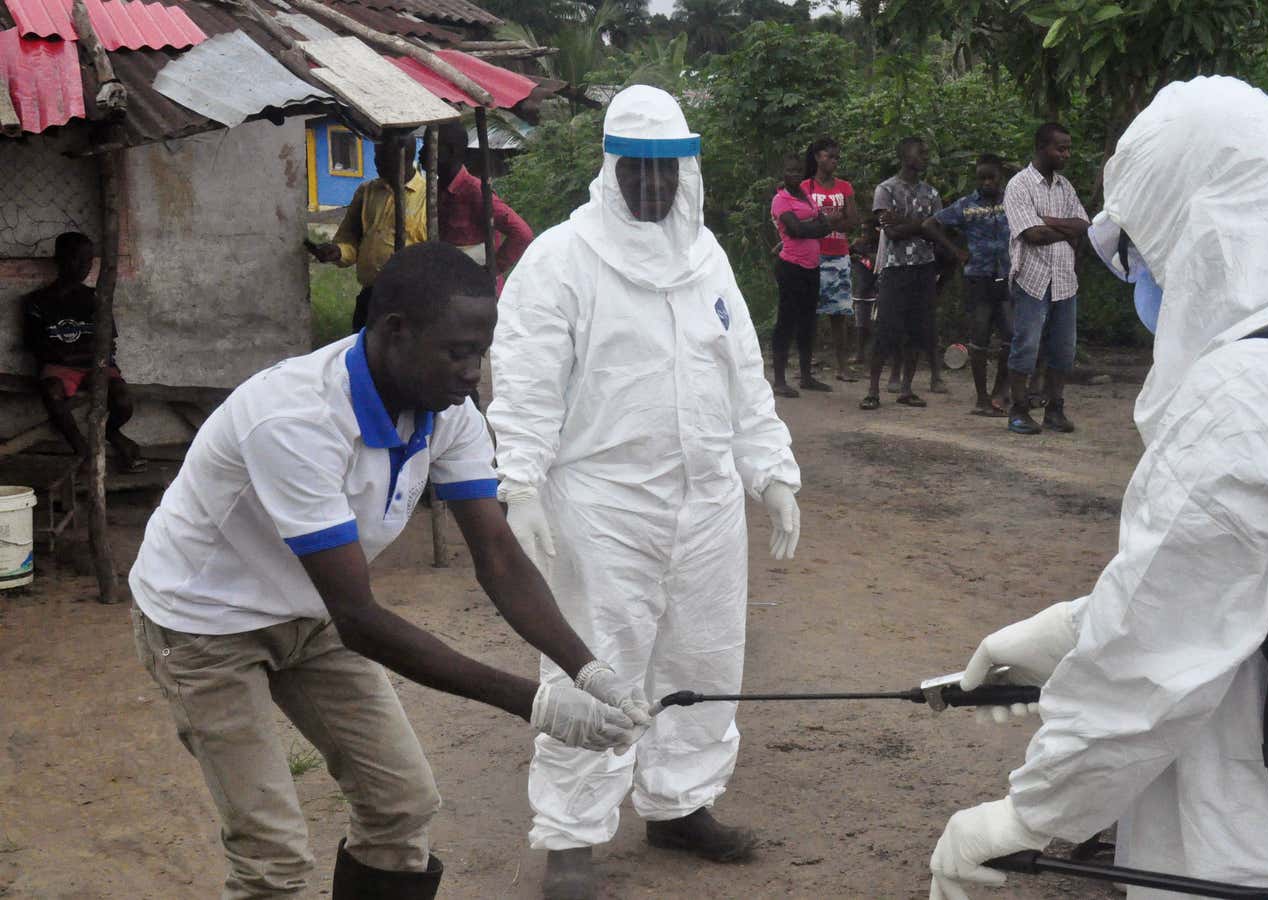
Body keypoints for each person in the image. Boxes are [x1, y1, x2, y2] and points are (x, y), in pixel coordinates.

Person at [926, 76, 1268, 900]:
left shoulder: (1249, 392)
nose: (1143, 279)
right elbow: (1257, 573)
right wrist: (1063, 634)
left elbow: (1153, 658)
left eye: (1141, 251)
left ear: (1193, 232)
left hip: (1254, 819)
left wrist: (1029, 816)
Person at [127, 242, 648, 900]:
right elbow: (362, 621)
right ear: (395, 332)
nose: (472, 373)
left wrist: (587, 669)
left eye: (480, 352)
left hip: (308, 615)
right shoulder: (297, 419)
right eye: (457, 351)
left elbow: (498, 555)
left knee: (401, 808)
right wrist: (533, 702)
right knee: (273, 858)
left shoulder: (446, 412)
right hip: (205, 625)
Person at [486, 85, 802, 900]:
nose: (654, 189)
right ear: (611, 169)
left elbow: (743, 377)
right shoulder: (561, 258)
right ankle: (571, 833)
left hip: (705, 503)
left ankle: (680, 802)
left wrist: (771, 471)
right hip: (601, 504)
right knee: (595, 660)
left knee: (704, 656)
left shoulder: (707, 258)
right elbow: (526, 379)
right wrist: (518, 480)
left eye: (669, 172)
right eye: (639, 172)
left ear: (686, 172)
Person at [20, 231, 143, 473]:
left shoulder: (96, 297)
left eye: (88, 260)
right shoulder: (37, 301)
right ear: (59, 260)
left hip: (95, 365)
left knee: (123, 401)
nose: (83, 266)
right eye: (76, 259)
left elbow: (108, 345)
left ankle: (112, 434)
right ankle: (83, 451)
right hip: (63, 368)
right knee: (51, 392)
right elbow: (39, 348)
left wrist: (70, 354)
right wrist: (82, 353)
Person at [1002, 123, 1089, 435]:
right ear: (1041, 147)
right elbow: (1033, 235)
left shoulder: (1065, 187)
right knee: (1026, 345)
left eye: (1068, 148)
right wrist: (1061, 228)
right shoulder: (1019, 185)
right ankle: (1019, 409)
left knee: (1064, 349)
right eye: (1060, 148)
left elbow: (1083, 226)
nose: (1066, 154)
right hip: (1032, 278)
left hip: (1065, 279)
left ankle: (1054, 408)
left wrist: (1049, 220)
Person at [310, 133, 428, 332]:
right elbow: (350, 238)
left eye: (384, 159)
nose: (377, 164)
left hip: (411, 299)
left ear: (406, 158)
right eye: (376, 157)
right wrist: (338, 251)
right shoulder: (367, 191)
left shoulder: (428, 197)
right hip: (371, 296)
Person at [925, 154, 1013, 416]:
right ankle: (981, 398)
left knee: (1010, 336)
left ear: (1000, 178)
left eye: (991, 177)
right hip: (978, 278)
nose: (986, 182)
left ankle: (999, 393)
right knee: (980, 338)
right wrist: (956, 251)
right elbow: (930, 224)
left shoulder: (1013, 200)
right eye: (981, 178)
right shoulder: (966, 205)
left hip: (1008, 277)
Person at [861, 137, 945, 410]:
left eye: (925, 150)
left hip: (923, 267)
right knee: (885, 329)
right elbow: (891, 231)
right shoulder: (885, 189)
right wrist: (923, 226)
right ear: (902, 153)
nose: (924, 154)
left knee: (918, 330)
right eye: (918, 150)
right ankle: (873, 389)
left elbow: (937, 232)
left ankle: (906, 389)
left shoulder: (931, 193)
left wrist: (909, 224)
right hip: (895, 267)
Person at [436, 120, 534, 296]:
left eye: (429, 146)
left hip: (477, 296)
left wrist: (492, 270)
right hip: (449, 290)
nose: (420, 152)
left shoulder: (475, 191)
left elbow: (522, 233)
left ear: (450, 151)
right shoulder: (435, 191)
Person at [770, 152, 835, 397]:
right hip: (791, 267)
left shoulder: (806, 196)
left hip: (811, 265)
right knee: (786, 322)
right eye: (791, 171)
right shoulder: (780, 200)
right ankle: (779, 380)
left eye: (799, 171)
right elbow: (795, 230)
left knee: (808, 322)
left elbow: (824, 225)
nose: (795, 175)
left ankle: (806, 376)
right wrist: (815, 227)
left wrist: (813, 227)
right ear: (783, 173)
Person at [803, 136, 864, 383]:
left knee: (839, 313)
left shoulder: (844, 187)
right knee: (807, 312)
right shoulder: (806, 187)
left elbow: (854, 220)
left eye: (837, 157)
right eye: (830, 156)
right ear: (818, 157)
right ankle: (806, 367)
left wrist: (824, 223)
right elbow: (803, 223)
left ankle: (842, 366)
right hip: (811, 255)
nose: (834, 161)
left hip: (838, 254)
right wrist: (834, 220)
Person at [850, 226, 880, 364]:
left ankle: (876, 353)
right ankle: (860, 353)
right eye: (862, 231)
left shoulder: (880, 247)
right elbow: (846, 254)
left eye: (867, 231)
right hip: (862, 291)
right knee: (861, 324)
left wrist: (862, 257)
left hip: (877, 291)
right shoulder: (858, 246)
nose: (863, 234)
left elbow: (874, 264)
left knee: (876, 324)